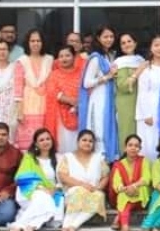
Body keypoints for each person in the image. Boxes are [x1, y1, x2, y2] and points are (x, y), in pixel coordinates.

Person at [9, 128, 63, 231]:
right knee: (45, 199)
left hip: (52, 192)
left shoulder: (59, 158)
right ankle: (17, 227)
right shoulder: (30, 158)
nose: (46, 142)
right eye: (41, 140)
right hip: (29, 190)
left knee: (50, 204)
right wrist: (40, 188)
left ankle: (28, 227)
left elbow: (62, 179)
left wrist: (55, 188)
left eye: (48, 139)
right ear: (36, 144)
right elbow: (22, 178)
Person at [58, 130, 109, 231]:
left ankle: (73, 227)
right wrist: (81, 184)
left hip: (93, 191)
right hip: (73, 190)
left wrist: (98, 187)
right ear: (78, 142)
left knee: (99, 196)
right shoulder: (68, 157)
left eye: (90, 141)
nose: (87, 143)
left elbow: (105, 176)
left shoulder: (98, 158)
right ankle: (65, 227)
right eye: (84, 140)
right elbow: (62, 176)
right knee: (80, 192)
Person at [80, 26, 119, 159]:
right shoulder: (96, 58)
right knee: (99, 129)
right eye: (105, 37)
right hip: (98, 100)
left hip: (109, 98)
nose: (109, 39)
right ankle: (98, 159)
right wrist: (107, 77)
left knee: (108, 128)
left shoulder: (110, 56)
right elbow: (86, 83)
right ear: (98, 38)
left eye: (111, 37)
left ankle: (107, 160)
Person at [14, 30, 54, 150]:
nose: (35, 43)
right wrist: (19, 111)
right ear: (28, 43)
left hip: (46, 104)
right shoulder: (21, 61)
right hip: (27, 104)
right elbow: (18, 87)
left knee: (45, 136)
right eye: (32, 41)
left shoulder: (50, 60)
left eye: (38, 41)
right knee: (28, 143)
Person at [135, 33, 160, 159]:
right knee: (150, 143)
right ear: (151, 48)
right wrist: (146, 114)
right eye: (156, 45)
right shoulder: (146, 67)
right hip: (149, 110)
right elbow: (142, 92)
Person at [110, 135, 150, 231]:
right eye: (130, 145)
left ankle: (119, 217)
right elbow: (116, 182)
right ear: (125, 148)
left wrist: (134, 186)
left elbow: (146, 178)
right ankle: (125, 227)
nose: (133, 148)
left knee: (143, 188)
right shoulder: (119, 164)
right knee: (123, 195)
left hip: (140, 197)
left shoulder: (144, 161)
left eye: (136, 146)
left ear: (140, 148)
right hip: (125, 194)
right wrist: (123, 188)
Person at [44, 45, 82, 153]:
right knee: (63, 145)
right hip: (60, 115)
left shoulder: (81, 73)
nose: (64, 59)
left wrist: (79, 102)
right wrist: (69, 100)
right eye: (61, 56)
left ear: (74, 56)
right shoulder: (54, 75)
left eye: (67, 55)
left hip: (79, 114)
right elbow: (52, 92)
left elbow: (87, 90)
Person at [114, 33, 144, 145]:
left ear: (135, 43)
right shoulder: (119, 63)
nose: (127, 44)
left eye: (129, 41)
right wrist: (137, 72)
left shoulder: (141, 60)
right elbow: (122, 86)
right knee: (128, 134)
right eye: (123, 43)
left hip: (141, 102)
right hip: (126, 103)